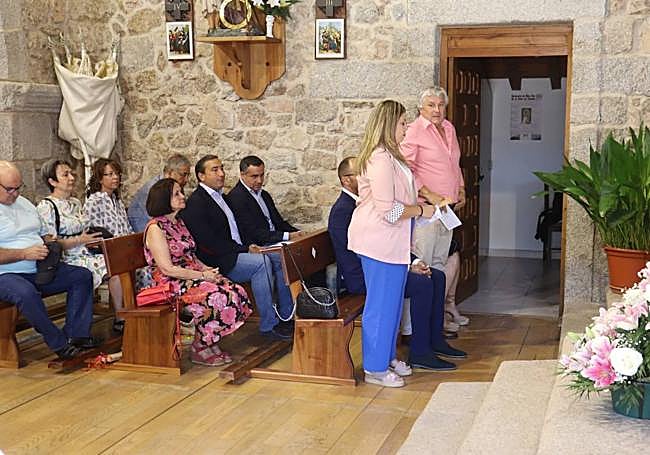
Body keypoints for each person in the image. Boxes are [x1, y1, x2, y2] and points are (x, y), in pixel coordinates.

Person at [329, 157, 465, 372]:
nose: (367, 179)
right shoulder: (343, 210)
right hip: (362, 276)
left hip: (385, 262)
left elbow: (387, 239)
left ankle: (435, 340)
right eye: (361, 175)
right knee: (422, 284)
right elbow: (353, 254)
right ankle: (419, 352)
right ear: (346, 180)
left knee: (437, 276)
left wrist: (414, 261)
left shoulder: (365, 201)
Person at [348, 100, 436, 388]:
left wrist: (418, 208)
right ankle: (374, 368)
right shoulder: (379, 158)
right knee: (381, 306)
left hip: (392, 243)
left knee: (393, 306)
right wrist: (420, 210)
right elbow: (389, 210)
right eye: (402, 123)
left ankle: (386, 357)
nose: (406, 128)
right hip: (378, 241)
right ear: (388, 124)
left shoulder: (392, 156)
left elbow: (402, 198)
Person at [180, 155, 294, 340]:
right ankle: (268, 325)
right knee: (261, 263)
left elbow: (238, 229)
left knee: (281, 257)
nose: (222, 174)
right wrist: (244, 249)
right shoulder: (197, 203)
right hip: (219, 260)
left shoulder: (222, 198)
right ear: (201, 176)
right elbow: (209, 242)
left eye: (222, 168)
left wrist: (249, 246)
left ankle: (286, 316)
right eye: (215, 170)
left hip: (236, 251)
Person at [144, 178, 252, 366]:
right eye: (176, 194)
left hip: (190, 275)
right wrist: (202, 276)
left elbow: (191, 256)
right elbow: (167, 268)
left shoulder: (178, 222)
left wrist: (207, 269)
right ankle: (200, 346)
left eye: (181, 192)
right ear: (164, 200)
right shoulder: (156, 228)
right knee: (218, 296)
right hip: (171, 283)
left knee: (234, 290)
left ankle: (209, 341)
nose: (182, 196)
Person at [0, 160, 101, 360]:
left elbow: (42, 232)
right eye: (10, 189)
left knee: (81, 276)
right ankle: (59, 343)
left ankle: (76, 335)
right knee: (26, 294)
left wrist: (48, 242)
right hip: (7, 273)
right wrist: (23, 254)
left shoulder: (24, 203)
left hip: (40, 267)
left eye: (19, 188)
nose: (16, 194)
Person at [401, 86, 470, 327]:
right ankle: (411, 328)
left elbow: (455, 165)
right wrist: (429, 194)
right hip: (426, 211)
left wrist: (461, 189)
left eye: (441, 105)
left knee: (440, 267)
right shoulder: (414, 131)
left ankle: (434, 322)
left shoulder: (449, 128)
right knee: (422, 267)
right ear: (421, 108)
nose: (437, 110)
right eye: (431, 105)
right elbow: (406, 170)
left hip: (446, 210)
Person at [36, 159, 125, 333]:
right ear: (52, 181)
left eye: (72, 173)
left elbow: (85, 230)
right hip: (67, 256)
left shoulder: (75, 203)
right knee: (109, 267)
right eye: (65, 175)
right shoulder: (47, 207)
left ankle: (121, 315)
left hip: (86, 250)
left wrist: (91, 240)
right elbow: (51, 244)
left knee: (119, 263)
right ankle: (110, 319)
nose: (71, 178)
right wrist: (80, 240)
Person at [228, 155, 303, 246]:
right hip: (260, 246)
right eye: (254, 176)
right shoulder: (236, 198)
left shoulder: (264, 195)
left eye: (262, 175)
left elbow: (279, 222)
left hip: (277, 241)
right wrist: (288, 236)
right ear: (242, 175)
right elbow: (253, 233)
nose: (259, 181)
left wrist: (300, 233)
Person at [128, 154, 191, 232]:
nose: (186, 180)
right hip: (144, 227)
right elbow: (155, 220)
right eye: (183, 175)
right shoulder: (154, 189)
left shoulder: (175, 186)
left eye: (188, 175)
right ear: (169, 172)